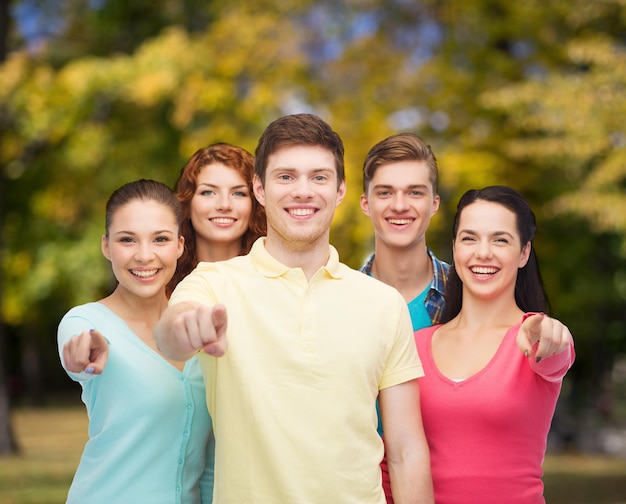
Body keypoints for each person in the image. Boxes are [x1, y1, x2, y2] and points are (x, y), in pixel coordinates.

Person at [155, 113, 435, 503]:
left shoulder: (383, 303)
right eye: (286, 177)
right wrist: (187, 327)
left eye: (319, 177)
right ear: (260, 189)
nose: (303, 191)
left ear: (340, 191)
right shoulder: (214, 283)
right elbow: (170, 332)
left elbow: (406, 450)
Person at [57, 179, 214, 504]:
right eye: (127, 240)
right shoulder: (85, 323)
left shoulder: (198, 327)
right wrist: (82, 356)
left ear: (180, 246)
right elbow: (79, 352)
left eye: (160, 239)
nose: (144, 256)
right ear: (106, 246)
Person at [416, 185, 575, 503]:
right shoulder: (415, 345)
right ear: (455, 248)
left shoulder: (534, 338)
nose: (482, 252)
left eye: (500, 239)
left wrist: (555, 335)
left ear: (524, 253)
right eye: (469, 238)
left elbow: (557, 352)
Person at [167, 142, 266, 295]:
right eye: (208, 192)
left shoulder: (275, 284)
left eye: (238, 193)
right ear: (187, 203)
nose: (224, 205)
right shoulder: (161, 284)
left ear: (255, 204)